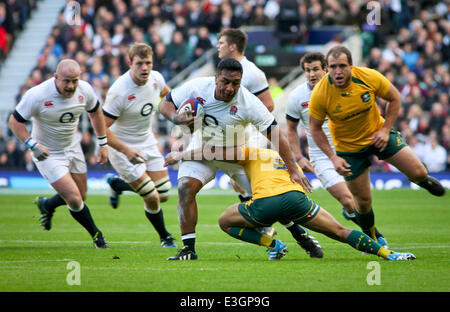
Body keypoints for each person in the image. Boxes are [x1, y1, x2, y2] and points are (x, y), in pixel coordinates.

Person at [159, 58, 316, 260]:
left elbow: (276, 135)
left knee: (270, 199)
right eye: (225, 82)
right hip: (202, 149)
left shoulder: (248, 102)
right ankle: (189, 249)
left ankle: (300, 234)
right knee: (185, 187)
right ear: (215, 79)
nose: (231, 88)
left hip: (237, 155)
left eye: (236, 83)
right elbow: (165, 103)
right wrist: (176, 118)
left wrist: (293, 169)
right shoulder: (197, 87)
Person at [164, 145, 416, 261]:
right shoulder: (279, 157)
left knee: (224, 222)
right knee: (340, 231)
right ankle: (388, 253)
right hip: (297, 200)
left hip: (266, 204)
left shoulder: (251, 152)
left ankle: (273, 243)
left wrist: (180, 155)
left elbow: (213, 152)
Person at [308, 46, 445, 243]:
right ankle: (372, 238)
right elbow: (315, 128)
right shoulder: (321, 93)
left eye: (342, 66)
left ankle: (424, 181)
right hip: (349, 150)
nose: (337, 71)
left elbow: (395, 97)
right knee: (363, 203)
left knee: (419, 172)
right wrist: (333, 157)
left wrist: (384, 130)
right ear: (327, 68)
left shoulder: (368, 76)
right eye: (332, 67)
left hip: (379, 137)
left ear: (351, 66)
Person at [216, 28, 317, 251]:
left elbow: (268, 105)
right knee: (243, 187)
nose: (217, 46)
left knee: (261, 190)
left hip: (251, 135)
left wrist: (243, 113)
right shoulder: (225, 71)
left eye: (221, 42)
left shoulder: (252, 72)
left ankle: (290, 234)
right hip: (235, 137)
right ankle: (294, 235)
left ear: (233, 46)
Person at [286, 52, 387, 247]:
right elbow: (291, 129)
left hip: (348, 150)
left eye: (315, 69)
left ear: (326, 69)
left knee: (360, 201)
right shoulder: (297, 96)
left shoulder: (342, 88)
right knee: (348, 200)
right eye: (307, 71)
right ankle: (374, 239)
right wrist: (298, 157)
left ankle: (354, 218)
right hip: (321, 157)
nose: (311, 74)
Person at [8, 59, 109, 248]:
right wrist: (32, 145)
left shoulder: (85, 90)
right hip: (47, 153)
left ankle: (47, 205)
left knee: (82, 195)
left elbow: (96, 112)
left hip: (73, 147)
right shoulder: (37, 95)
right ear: (56, 77)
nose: (71, 86)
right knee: (74, 198)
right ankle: (97, 236)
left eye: (75, 81)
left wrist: (102, 143)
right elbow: (14, 122)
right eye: (66, 81)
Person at [102, 42, 176, 248]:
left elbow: (169, 97)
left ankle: (118, 185)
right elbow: (102, 129)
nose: (145, 68)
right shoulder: (119, 91)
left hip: (147, 142)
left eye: (148, 63)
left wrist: (180, 116)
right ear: (130, 63)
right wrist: (126, 150)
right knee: (151, 197)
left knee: (164, 195)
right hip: (122, 148)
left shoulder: (157, 78)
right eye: (139, 63)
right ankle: (165, 237)